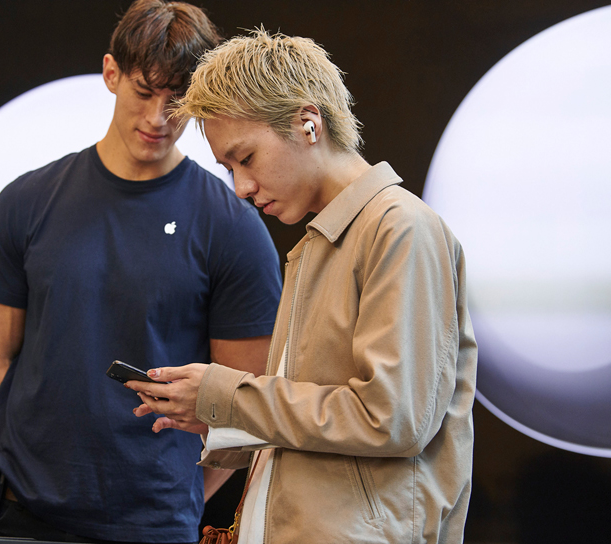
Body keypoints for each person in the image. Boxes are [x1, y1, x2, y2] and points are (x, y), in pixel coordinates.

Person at [127, 29, 478, 544]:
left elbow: (391, 419)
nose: (241, 189)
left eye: (245, 159)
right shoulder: (317, 243)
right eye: (227, 168)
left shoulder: (400, 227)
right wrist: (213, 414)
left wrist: (228, 395)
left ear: (308, 123)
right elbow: (321, 423)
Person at [0, 2, 282, 542]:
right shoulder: (26, 201)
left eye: (178, 99)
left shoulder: (232, 227)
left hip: (153, 522)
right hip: (18, 512)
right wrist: (45, 469)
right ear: (111, 73)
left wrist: (170, 492)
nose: (159, 118)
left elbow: (243, 406)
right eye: (144, 91)